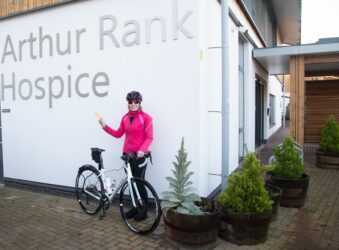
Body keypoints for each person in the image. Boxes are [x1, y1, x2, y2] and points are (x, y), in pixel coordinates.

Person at [96, 91, 153, 221]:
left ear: (140, 103)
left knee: (139, 184)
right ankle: (135, 207)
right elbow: (118, 134)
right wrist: (105, 126)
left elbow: (149, 137)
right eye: (130, 102)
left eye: (136, 102)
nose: (133, 104)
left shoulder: (146, 118)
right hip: (127, 156)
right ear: (128, 103)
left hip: (139, 157)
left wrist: (142, 149)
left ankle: (143, 211)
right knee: (130, 183)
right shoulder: (125, 118)